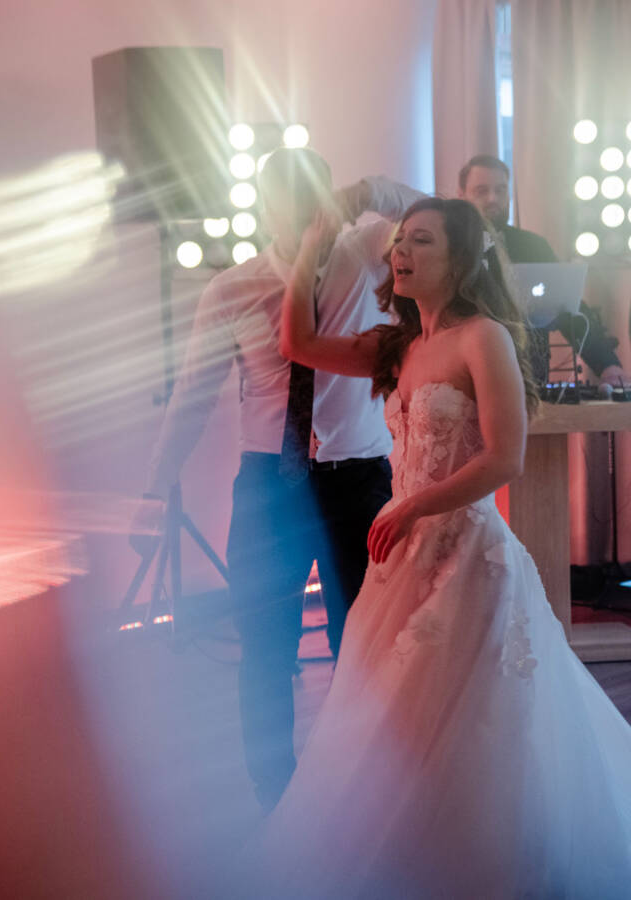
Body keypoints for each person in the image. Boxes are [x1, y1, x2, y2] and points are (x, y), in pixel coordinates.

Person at [241, 196, 631, 897]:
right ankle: (411, 859)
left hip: (469, 554)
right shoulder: (397, 346)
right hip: (401, 559)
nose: (401, 252)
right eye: (399, 240)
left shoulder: (484, 337)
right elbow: (299, 345)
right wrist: (312, 244)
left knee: (482, 720)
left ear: (461, 260)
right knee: (395, 719)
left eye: (422, 241)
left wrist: (414, 505)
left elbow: (504, 458)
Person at [135, 148, 422, 811]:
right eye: (289, 209)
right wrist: (154, 487)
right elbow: (193, 394)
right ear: (265, 209)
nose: (304, 222)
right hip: (269, 488)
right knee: (265, 648)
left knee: (364, 644)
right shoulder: (231, 288)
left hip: (359, 482)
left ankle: (362, 789)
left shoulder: (368, 253)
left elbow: (442, 219)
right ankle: (276, 796)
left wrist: (370, 189)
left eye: (315, 206)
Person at [459, 154, 631, 389]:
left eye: (501, 190)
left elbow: (570, 310)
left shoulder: (532, 246)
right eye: (481, 191)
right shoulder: (449, 248)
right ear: (461, 196)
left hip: (529, 379)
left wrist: (608, 366)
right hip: (462, 374)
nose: (493, 198)